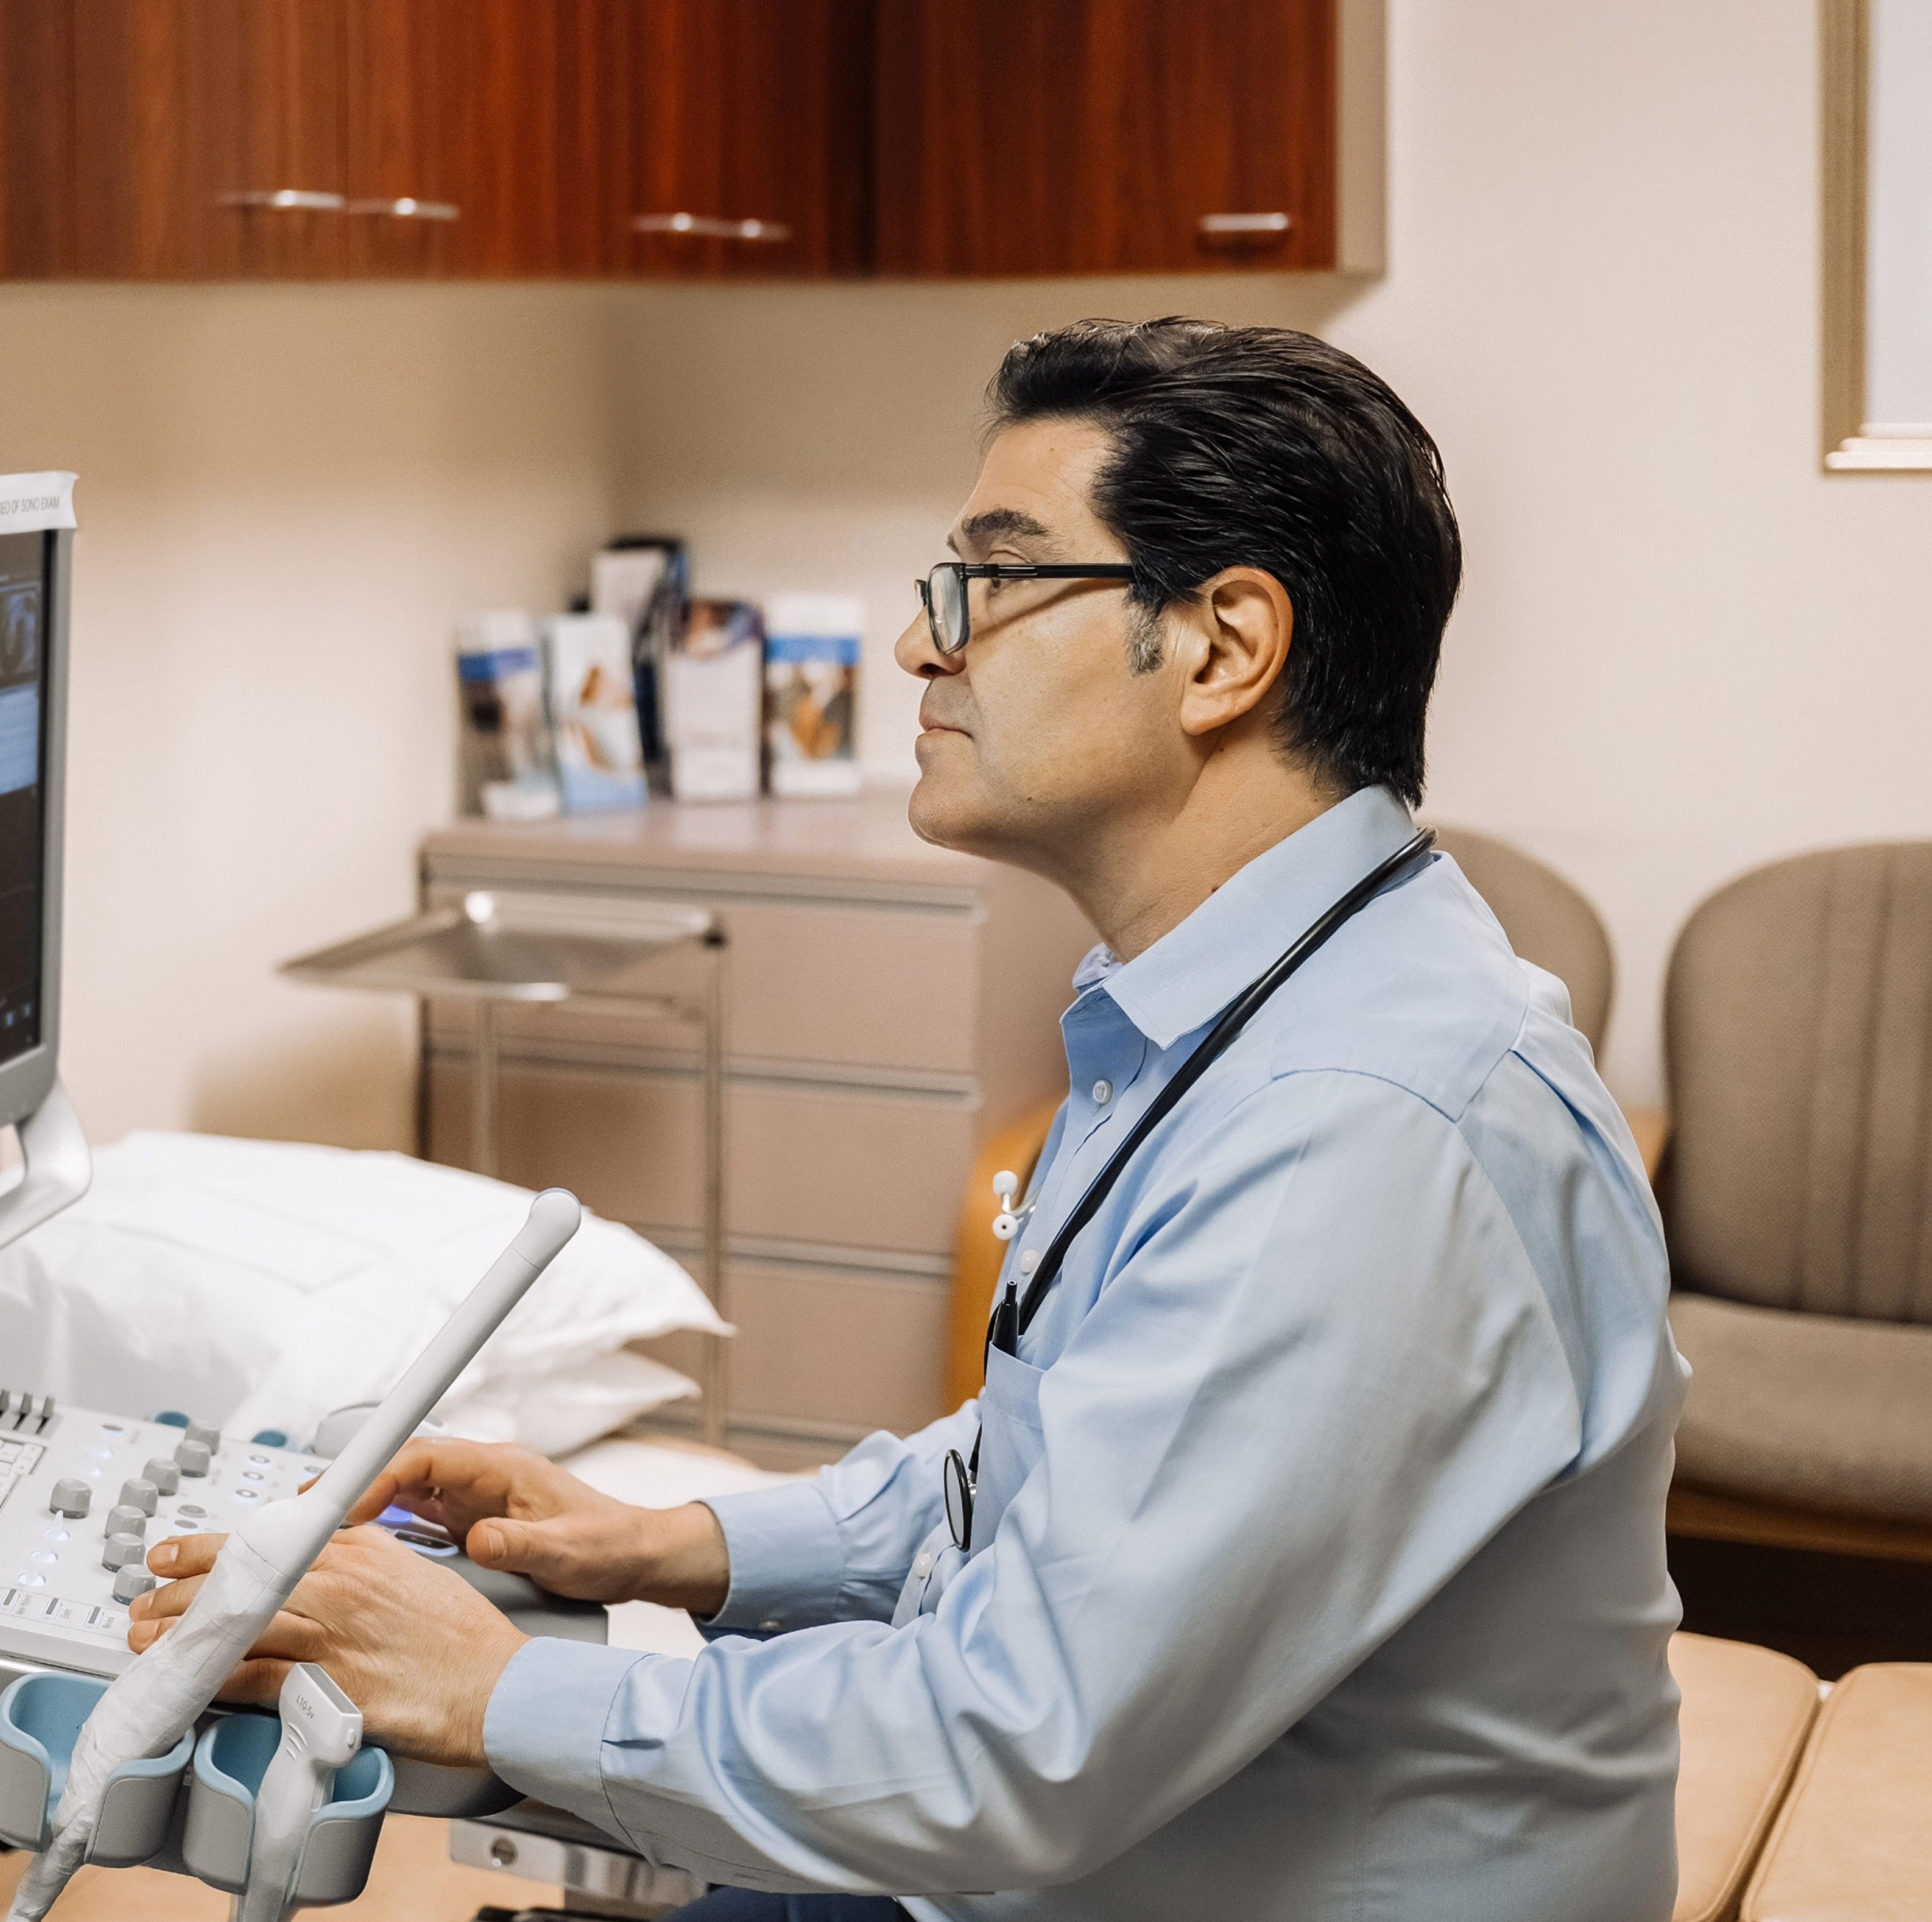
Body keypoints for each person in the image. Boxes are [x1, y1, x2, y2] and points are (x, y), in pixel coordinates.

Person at [129, 317, 1685, 1920]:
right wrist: (672, 1545)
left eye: (991, 586)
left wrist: (487, 1685)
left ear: (1222, 647)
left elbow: (1011, 1752)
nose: (921, 650)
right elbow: (1068, 1457)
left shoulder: (1363, 1129)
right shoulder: (1233, 1004)